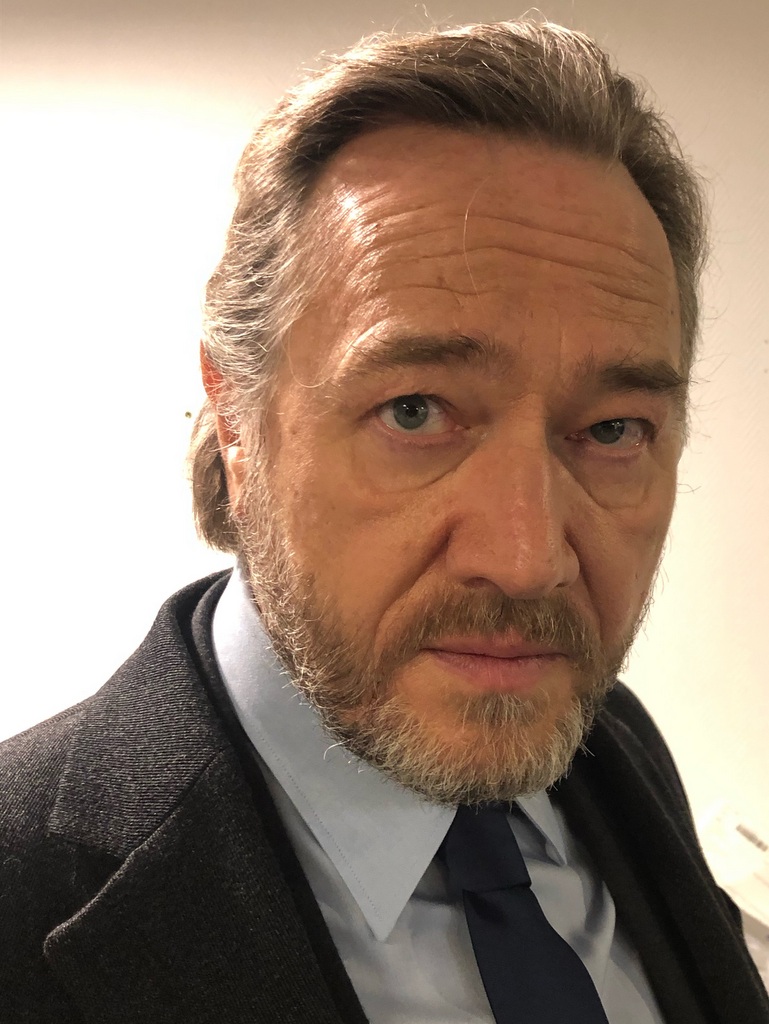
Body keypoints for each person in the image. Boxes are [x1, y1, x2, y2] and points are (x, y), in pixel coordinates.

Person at [1, 19, 767, 1024]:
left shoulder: (612, 742)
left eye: (613, 428)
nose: (526, 560)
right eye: (414, 411)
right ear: (236, 418)